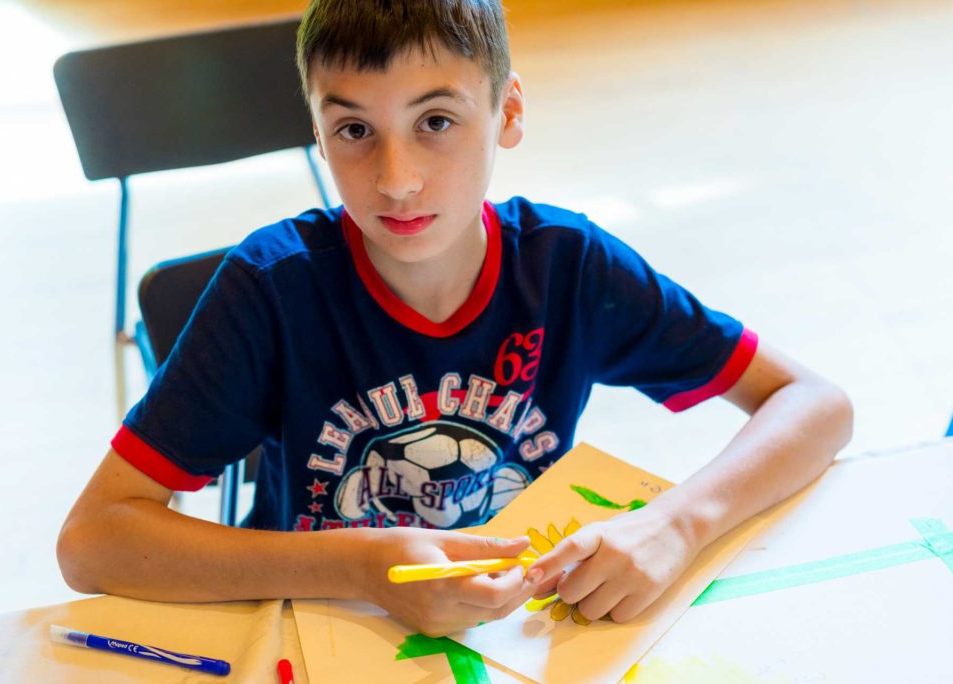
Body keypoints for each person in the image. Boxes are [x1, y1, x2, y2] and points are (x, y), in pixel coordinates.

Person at [57, 0, 853, 637]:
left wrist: (677, 524)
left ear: (507, 111)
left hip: (517, 630)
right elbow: (93, 542)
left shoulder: (567, 266)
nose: (396, 180)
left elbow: (817, 404)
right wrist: (359, 567)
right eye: (354, 131)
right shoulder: (272, 291)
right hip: (321, 622)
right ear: (318, 132)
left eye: (436, 121)